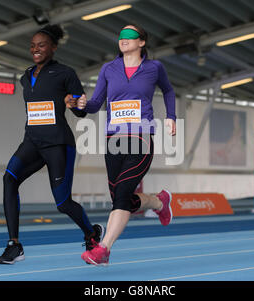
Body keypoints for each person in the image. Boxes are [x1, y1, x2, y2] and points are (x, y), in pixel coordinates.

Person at [65, 24, 176, 266]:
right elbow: (95, 104)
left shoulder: (154, 68)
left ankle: (103, 249)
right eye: (121, 36)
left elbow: (168, 90)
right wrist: (78, 105)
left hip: (141, 137)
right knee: (120, 199)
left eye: (129, 36)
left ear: (142, 42)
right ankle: (159, 202)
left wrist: (171, 117)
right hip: (113, 140)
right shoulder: (109, 69)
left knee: (123, 194)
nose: (123, 39)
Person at [0, 24, 103, 265]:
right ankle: (14, 245)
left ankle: (91, 233)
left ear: (53, 48)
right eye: (32, 45)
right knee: (9, 179)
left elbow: (81, 113)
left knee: (63, 203)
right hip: (32, 142)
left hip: (58, 144)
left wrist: (73, 103)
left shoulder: (66, 73)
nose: (36, 49)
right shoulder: (26, 76)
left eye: (41, 45)